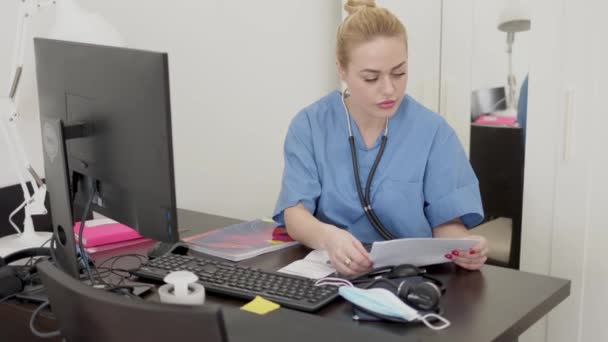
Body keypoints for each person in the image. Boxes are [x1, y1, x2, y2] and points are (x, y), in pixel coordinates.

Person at [273, 0, 488, 276]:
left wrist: (466, 246)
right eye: (371, 78)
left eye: (399, 72)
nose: (389, 89)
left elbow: (445, 224)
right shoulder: (310, 126)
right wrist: (331, 238)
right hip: (332, 274)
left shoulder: (434, 132)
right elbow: (295, 214)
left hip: (410, 280)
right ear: (342, 70)